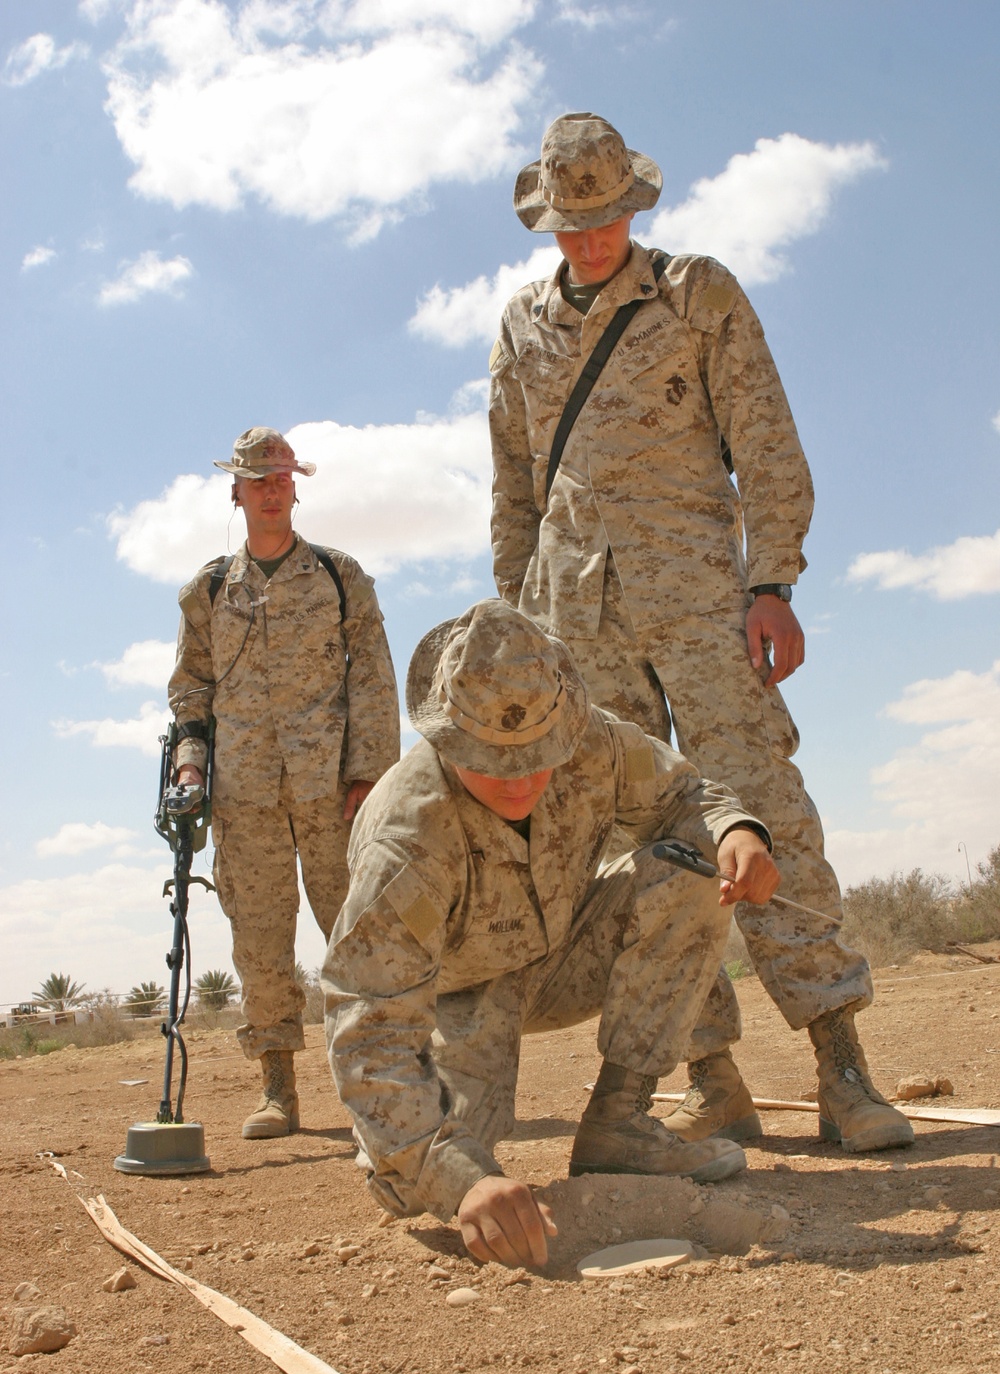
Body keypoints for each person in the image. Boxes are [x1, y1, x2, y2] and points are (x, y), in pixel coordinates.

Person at [488, 112, 913, 1155]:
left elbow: (765, 437)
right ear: (547, 217)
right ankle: (709, 1076)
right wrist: (519, 620)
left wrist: (771, 579)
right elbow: (512, 489)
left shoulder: (696, 294)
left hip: (699, 602)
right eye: (570, 223)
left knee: (762, 808)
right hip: (574, 621)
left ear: (633, 206)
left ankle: (840, 1069)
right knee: (643, 844)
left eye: (605, 217)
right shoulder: (519, 328)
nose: (587, 237)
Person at [322, 599, 780, 1268]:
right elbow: (369, 1030)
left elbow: (688, 796)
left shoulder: (588, 739)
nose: (521, 780)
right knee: (415, 1183)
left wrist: (738, 831)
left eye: (538, 757)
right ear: (448, 738)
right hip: (460, 998)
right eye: (495, 762)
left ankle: (620, 1124)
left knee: (692, 868)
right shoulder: (405, 839)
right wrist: (461, 1178)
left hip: (566, 952)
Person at [169, 427, 400, 1139]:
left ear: (296, 487)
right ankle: (279, 1092)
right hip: (245, 800)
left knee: (362, 934)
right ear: (235, 492)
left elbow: (373, 681)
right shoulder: (207, 591)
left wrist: (371, 777)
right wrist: (188, 770)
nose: (272, 489)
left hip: (335, 793)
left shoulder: (339, 575)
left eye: (282, 478)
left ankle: (385, 1082)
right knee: (261, 944)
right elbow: (191, 698)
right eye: (258, 479)